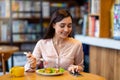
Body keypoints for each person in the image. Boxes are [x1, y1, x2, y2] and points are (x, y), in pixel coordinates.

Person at [24, 9, 84, 73]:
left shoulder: (77, 44)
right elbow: (28, 69)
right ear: (53, 25)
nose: (66, 30)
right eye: (62, 26)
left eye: (69, 26)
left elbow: (81, 67)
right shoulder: (42, 44)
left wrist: (77, 68)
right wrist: (32, 65)